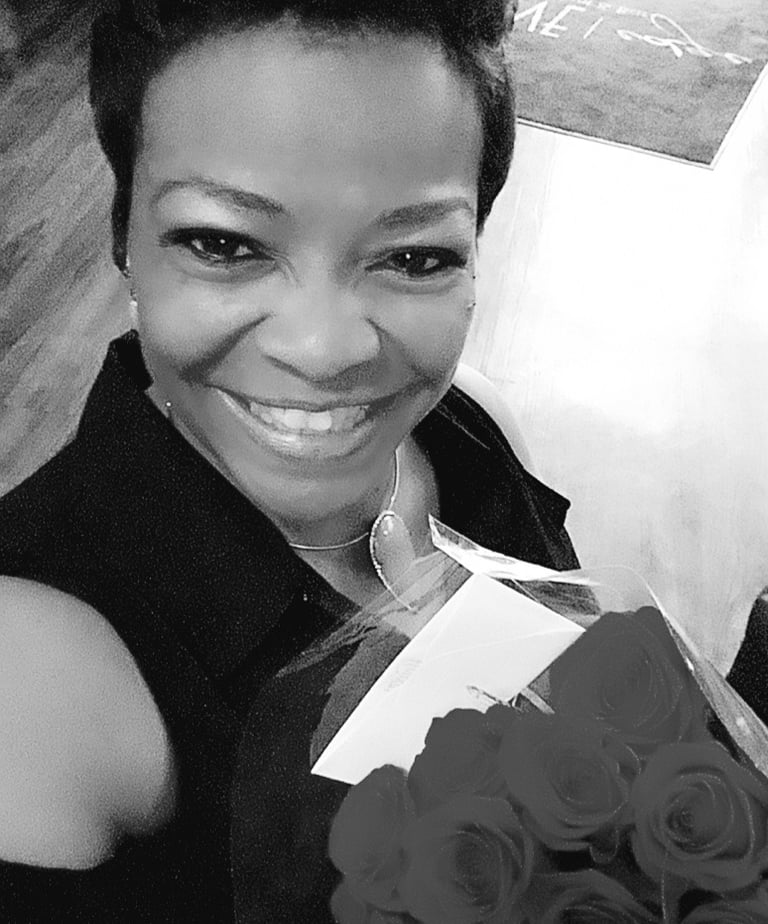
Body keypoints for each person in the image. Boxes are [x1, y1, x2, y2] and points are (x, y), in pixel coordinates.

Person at [0, 0, 583, 920]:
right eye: (224, 245)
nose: (324, 349)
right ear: (123, 240)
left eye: (416, 257)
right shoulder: (32, 674)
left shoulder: (474, 431)